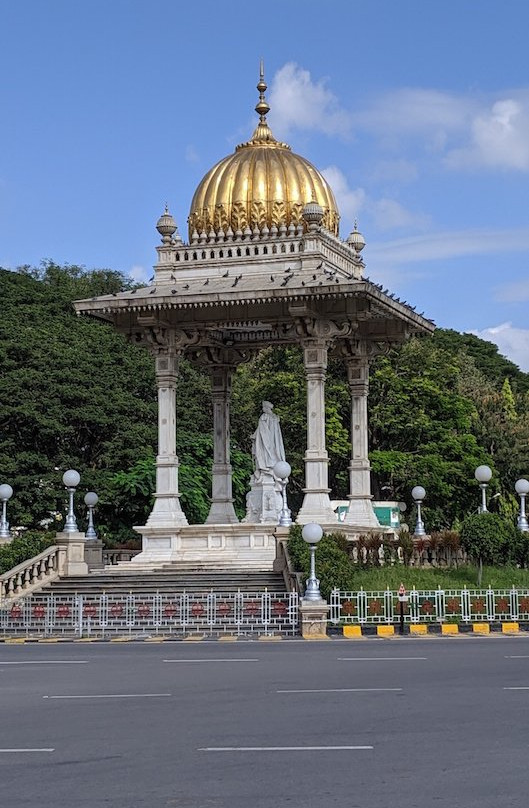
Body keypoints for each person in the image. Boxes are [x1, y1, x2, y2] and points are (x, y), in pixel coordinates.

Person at [251, 401, 286, 479]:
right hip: (273, 441)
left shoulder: (265, 417)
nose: (263, 409)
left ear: (267, 408)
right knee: (270, 453)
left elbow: (262, 430)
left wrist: (255, 435)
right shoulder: (275, 417)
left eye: (263, 407)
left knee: (265, 453)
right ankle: (269, 468)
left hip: (266, 440)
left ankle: (267, 467)